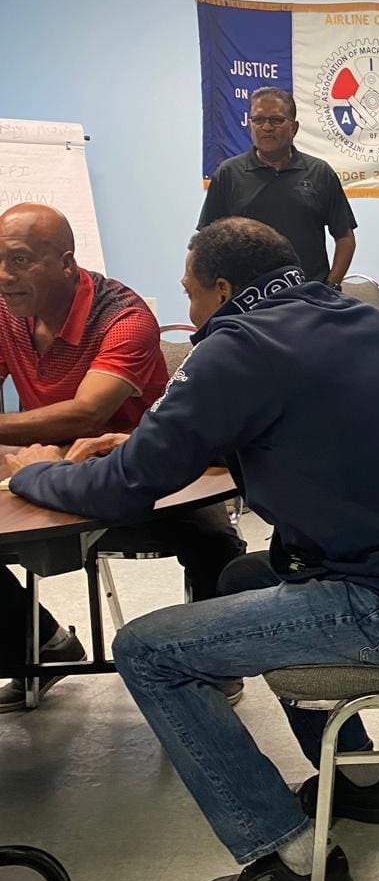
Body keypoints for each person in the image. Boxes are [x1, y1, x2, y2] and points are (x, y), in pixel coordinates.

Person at [5, 218, 379, 881]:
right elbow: (283, 422)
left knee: (147, 651)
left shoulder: (238, 346)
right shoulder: (348, 319)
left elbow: (122, 492)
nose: (188, 314)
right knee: (244, 577)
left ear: (221, 289)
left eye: (190, 295)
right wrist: (145, 440)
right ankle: (361, 782)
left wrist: (33, 472)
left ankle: (291, 862)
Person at [0, 203, 243, 711]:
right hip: (41, 471)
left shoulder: (124, 316)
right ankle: (39, 645)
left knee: (214, 540)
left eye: (19, 260)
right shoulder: (7, 312)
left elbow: (88, 413)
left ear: (66, 263)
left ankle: (214, 662)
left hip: (139, 473)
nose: (4, 275)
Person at [199, 86, 357, 286]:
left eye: (276, 120)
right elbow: (208, 240)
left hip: (308, 296)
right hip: (247, 297)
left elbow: (345, 238)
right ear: (250, 124)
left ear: (294, 127)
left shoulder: (320, 173)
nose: (267, 127)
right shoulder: (229, 173)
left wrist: (330, 287)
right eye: (258, 120)